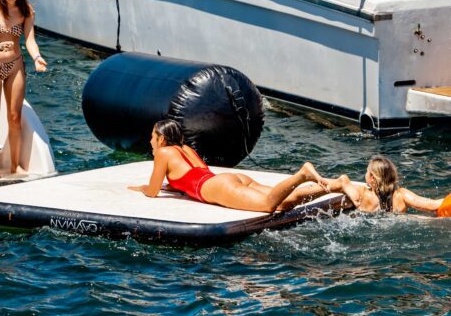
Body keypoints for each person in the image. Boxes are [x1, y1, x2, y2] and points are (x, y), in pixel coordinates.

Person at [127, 119, 331, 213]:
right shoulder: (186, 149)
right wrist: (172, 186)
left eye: (152, 137)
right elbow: (189, 177)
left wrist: (141, 188)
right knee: (283, 202)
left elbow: (153, 191)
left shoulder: (163, 153)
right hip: (225, 180)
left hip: (217, 187)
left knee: (268, 205)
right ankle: (335, 186)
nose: (150, 141)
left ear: (161, 139)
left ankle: (302, 174)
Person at [0, 0, 47, 178]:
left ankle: (15, 166)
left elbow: (29, 40)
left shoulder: (26, 11)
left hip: (16, 65)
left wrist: (37, 58)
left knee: (15, 117)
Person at [327, 155, 446, 214]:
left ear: (372, 178)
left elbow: (327, 187)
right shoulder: (401, 196)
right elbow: (432, 205)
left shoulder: (361, 193)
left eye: (367, 171)